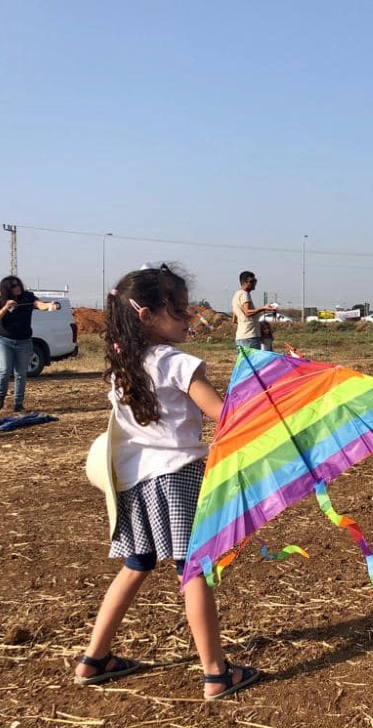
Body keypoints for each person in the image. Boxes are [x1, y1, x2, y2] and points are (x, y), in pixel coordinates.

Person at [75, 265, 260, 700]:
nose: (186, 317)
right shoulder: (176, 362)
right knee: (192, 569)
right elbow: (224, 414)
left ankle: (93, 659)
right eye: (176, 309)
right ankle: (216, 673)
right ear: (145, 315)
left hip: (134, 483)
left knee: (137, 564)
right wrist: (265, 394)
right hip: (176, 479)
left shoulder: (124, 364)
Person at [0, 275, 62, 412]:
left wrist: (50, 306)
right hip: (4, 340)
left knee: (21, 372)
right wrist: (5, 308)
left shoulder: (28, 297)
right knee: (5, 369)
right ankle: (0, 396)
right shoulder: (0, 300)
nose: (18, 288)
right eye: (14, 286)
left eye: (18, 285)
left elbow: (39, 304)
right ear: (7, 289)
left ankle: (18, 403)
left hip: (24, 341)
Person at [231, 271, 275, 350]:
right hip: (250, 337)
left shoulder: (236, 295)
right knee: (253, 361)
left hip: (241, 336)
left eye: (255, 281)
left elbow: (234, 319)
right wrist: (263, 308)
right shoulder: (245, 294)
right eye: (252, 281)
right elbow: (247, 312)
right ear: (244, 282)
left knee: (244, 362)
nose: (254, 283)